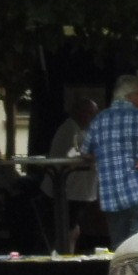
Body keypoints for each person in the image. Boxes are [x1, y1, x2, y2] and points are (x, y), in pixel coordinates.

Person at [79, 74, 138, 249]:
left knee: (120, 251)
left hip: (112, 196)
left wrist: (104, 155)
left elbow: (86, 152)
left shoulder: (99, 120)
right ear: (130, 96)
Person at [45, 95, 98, 251]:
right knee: (68, 231)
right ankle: (62, 262)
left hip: (74, 191)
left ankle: (66, 258)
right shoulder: (70, 130)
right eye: (92, 114)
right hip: (68, 191)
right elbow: (79, 153)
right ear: (81, 113)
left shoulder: (79, 130)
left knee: (72, 230)